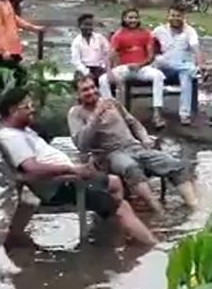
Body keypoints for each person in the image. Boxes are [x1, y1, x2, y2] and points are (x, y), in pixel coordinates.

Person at [0, 87, 158, 248]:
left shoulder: (19, 130)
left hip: (67, 178)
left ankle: (112, 233)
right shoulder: (12, 137)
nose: (32, 110)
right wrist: (72, 170)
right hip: (62, 185)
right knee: (122, 206)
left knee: (114, 182)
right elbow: (32, 169)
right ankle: (152, 246)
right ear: (13, 110)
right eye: (27, 107)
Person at [69, 75, 199, 214]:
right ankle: (159, 211)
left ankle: (195, 207)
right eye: (85, 90)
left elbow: (133, 123)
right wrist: (95, 117)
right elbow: (81, 144)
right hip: (110, 154)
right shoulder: (76, 113)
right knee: (131, 167)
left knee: (174, 164)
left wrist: (145, 139)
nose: (91, 92)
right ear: (78, 94)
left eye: (92, 87)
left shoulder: (111, 103)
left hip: (134, 147)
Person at [100, 8, 167, 128]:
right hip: (124, 68)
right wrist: (109, 71)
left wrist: (140, 65)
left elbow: (151, 56)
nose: (133, 20)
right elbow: (109, 55)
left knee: (158, 75)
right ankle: (111, 113)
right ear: (124, 19)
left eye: (135, 17)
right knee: (103, 79)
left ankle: (157, 114)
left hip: (142, 68)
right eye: (130, 18)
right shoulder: (118, 35)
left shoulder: (146, 34)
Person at [153, 5, 206, 126]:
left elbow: (195, 48)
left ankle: (184, 114)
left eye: (178, 16)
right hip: (163, 68)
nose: (175, 18)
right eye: (173, 15)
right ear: (168, 16)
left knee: (186, 74)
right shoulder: (158, 31)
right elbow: (148, 48)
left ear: (183, 17)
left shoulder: (190, 31)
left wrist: (201, 62)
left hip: (179, 70)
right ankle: (194, 71)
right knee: (160, 60)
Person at [71, 13, 110, 80]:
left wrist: (104, 67)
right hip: (84, 68)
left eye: (90, 25)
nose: (88, 27)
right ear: (80, 26)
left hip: (99, 68)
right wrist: (86, 72)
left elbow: (107, 53)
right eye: (86, 25)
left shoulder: (100, 38)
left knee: (105, 80)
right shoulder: (76, 42)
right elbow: (76, 61)